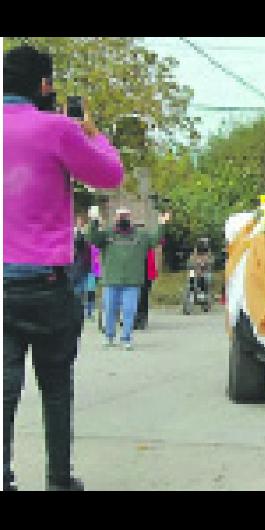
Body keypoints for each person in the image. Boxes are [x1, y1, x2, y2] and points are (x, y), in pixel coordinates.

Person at [3, 45, 124, 491]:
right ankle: (58, 478)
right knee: (55, 388)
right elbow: (110, 175)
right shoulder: (57, 128)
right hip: (47, 284)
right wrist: (92, 133)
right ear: (44, 85)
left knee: (3, 391)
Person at [88, 208, 168, 350]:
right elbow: (93, 238)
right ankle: (109, 336)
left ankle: (126, 338)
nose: (123, 218)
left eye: (125, 216)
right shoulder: (107, 235)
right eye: (120, 216)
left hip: (132, 281)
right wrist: (93, 220)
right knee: (110, 309)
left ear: (130, 218)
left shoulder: (141, 236)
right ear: (116, 218)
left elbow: (156, 239)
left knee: (129, 310)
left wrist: (162, 223)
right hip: (111, 280)